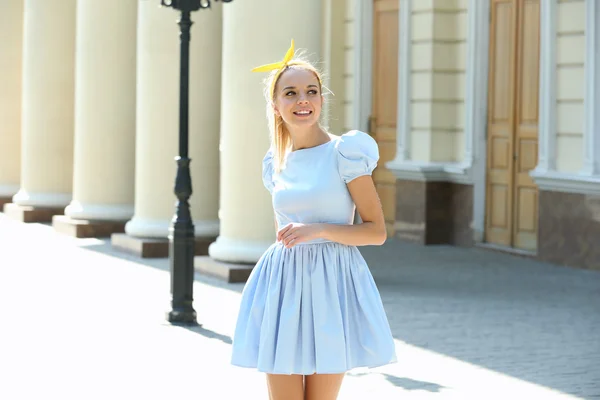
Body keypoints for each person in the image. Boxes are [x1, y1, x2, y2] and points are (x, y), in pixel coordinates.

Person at [230, 39, 397, 400]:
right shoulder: (274, 162)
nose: (302, 100)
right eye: (290, 93)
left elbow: (377, 232)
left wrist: (318, 229)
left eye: (311, 91)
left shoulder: (346, 153)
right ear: (275, 105)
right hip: (283, 282)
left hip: (331, 282)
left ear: (322, 99)